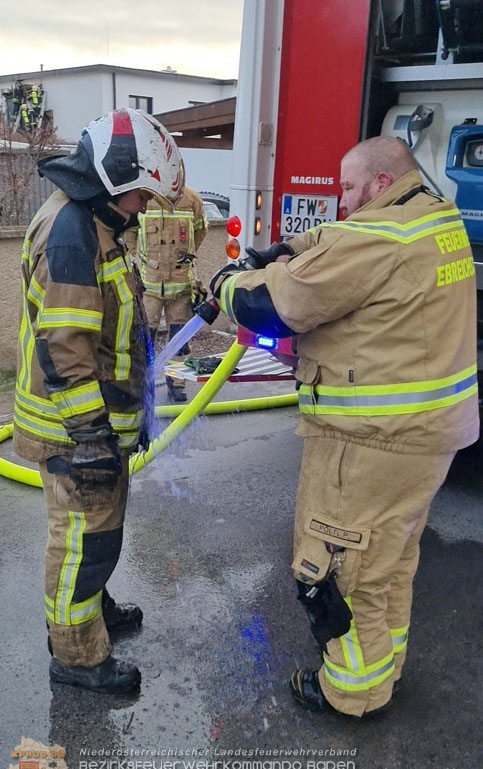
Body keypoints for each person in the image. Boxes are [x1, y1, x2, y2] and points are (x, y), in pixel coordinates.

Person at [210, 135, 479, 718]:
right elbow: (339, 237)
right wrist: (286, 247)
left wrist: (226, 284)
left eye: (350, 187)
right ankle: (383, 670)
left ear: (381, 183)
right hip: (428, 436)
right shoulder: (433, 217)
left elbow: (276, 306)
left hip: (370, 441)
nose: (344, 200)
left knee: (340, 570)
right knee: (388, 565)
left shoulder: (380, 238)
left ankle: (353, 691)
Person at [13, 108, 184, 694]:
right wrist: (91, 437)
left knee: (99, 535)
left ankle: (95, 612)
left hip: (97, 428)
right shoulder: (72, 233)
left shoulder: (95, 222)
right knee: (82, 547)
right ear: (113, 179)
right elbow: (66, 349)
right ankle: (77, 657)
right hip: (74, 433)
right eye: (141, 195)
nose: (143, 208)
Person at [125, 186, 208, 402]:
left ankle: (177, 384)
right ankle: (145, 384)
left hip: (181, 285)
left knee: (179, 339)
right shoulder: (145, 197)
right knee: (145, 340)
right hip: (149, 286)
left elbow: (201, 230)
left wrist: (187, 254)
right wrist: (138, 257)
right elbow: (130, 232)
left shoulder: (192, 199)